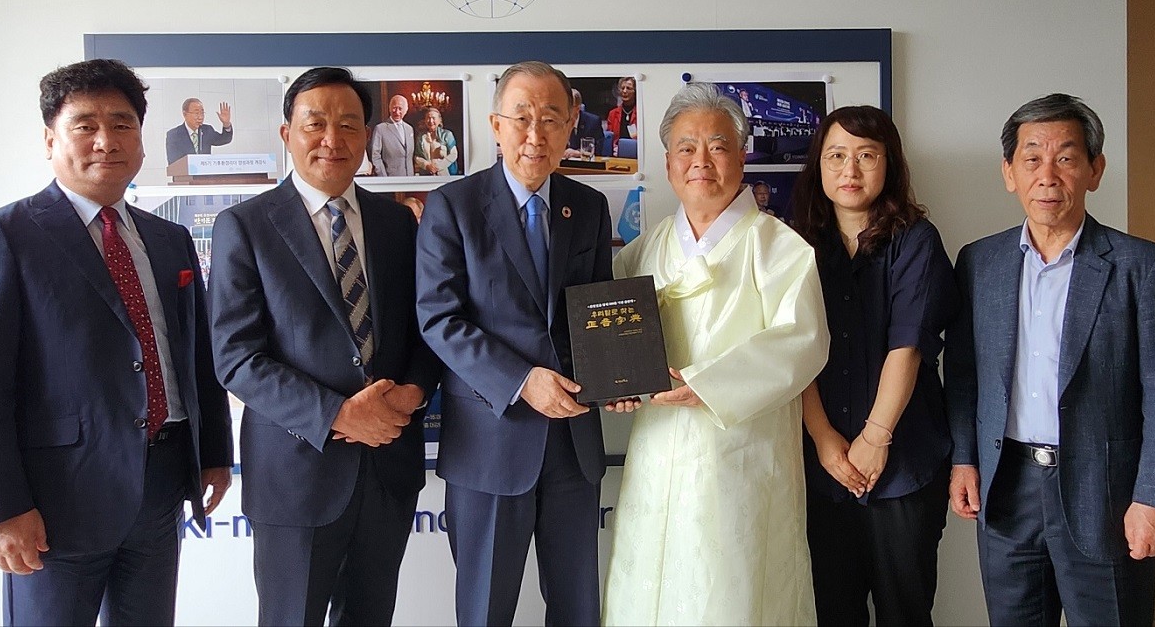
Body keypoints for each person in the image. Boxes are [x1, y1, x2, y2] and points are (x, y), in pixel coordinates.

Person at [0, 58, 234, 626]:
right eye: (85, 125)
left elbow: (197, 356)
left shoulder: (168, 238)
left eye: (123, 124)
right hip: (53, 505)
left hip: (159, 491)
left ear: (141, 138)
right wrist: (0, 508)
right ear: (50, 139)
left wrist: (215, 453)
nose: (106, 140)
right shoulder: (2, 236)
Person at [945, 94, 1155, 626]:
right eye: (1032, 158)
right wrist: (964, 459)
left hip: (1104, 493)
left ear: (1094, 170)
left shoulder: (1143, 267)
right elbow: (965, 375)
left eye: (1065, 158)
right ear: (1009, 173)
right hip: (1007, 488)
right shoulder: (980, 262)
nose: (1048, 176)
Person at [208, 67, 440, 627]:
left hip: (387, 470)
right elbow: (236, 357)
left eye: (348, 124)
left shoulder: (397, 223)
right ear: (286, 133)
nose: (332, 139)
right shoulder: (245, 226)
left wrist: (412, 392)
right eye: (315, 124)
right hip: (296, 474)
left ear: (367, 136)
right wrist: (338, 414)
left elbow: (427, 328)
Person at [602, 83, 827, 626]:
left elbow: (803, 342)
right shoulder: (643, 251)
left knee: (734, 590)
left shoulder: (779, 247)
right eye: (686, 147)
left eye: (718, 146)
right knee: (650, 589)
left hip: (742, 458)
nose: (701, 161)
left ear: (742, 157)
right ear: (668, 163)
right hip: (657, 452)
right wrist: (613, 381)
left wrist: (707, 383)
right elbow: (612, 337)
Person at [417, 61, 614, 626]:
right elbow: (439, 319)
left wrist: (618, 375)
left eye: (551, 118)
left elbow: (597, 312)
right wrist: (522, 381)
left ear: (570, 125)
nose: (535, 134)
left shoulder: (589, 206)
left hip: (573, 445)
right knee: (485, 610)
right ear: (495, 124)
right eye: (521, 117)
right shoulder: (452, 205)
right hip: (490, 444)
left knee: (578, 609)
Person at [789, 105, 956, 626]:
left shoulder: (916, 240)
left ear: (890, 163)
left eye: (866, 155)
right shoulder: (796, 246)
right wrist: (823, 439)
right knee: (833, 611)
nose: (850, 170)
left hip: (903, 463)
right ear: (818, 165)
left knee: (905, 611)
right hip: (823, 465)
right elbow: (793, 352)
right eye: (836, 156)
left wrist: (875, 437)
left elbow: (908, 346)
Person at [165, 96, 233, 164]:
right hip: (185, 170)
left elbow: (225, 139)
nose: (200, 117)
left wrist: (226, 124)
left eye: (202, 113)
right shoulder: (174, 135)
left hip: (205, 170)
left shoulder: (207, 130)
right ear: (185, 114)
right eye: (196, 113)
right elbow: (173, 162)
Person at [369, 94, 414, 176]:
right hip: (390, 178)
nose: (397, 112)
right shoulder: (380, 128)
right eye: (394, 108)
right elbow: (375, 156)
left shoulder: (409, 129)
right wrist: (384, 177)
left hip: (409, 178)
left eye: (400, 108)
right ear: (389, 108)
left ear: (406, 110)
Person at [413, 106, 459, 176]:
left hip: (444, 174)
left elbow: (453, 154)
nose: (431, 121)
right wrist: (427, 165)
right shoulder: (421, 137)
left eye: (433, 118)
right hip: (426, 174)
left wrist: (437, 167)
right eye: (428, 118)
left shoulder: (447, 134)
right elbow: (417, 156)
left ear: (439, 120)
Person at [564, 88, 607, 160]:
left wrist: (578, 153)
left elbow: (597, 150)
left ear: (578, 108)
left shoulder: (593, 122)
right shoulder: (558, 121)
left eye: (569, 106)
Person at [604, 76, 638, 153]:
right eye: (622, 88)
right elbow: (609, 138)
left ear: (635, 91)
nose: (624, 91)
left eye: (628, 88)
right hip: (616, 152)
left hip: (636, 152)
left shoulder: (640, 113)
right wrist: (614, 147)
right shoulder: (613, 113)